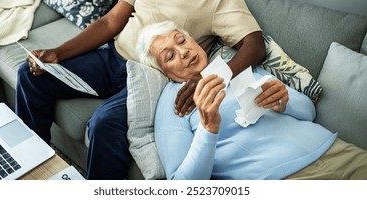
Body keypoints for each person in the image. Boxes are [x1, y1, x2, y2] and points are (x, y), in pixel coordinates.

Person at [15, 0, 269, 179]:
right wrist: (58, 53)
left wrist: (208, 78)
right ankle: (32, 166)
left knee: (104, 123)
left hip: (151, 79)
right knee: (32, 73)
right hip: (113, 58)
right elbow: (110, 22)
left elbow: (254, 45)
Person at [137, 21, 367, 180]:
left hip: (337, 151)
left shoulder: (234, 67)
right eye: (170, 56)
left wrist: (283, 101)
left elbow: (308, 112)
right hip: (279, 179)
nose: (183, 51)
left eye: (182, 41)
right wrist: (208, 129)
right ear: (164, 72)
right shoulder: (174, 103)